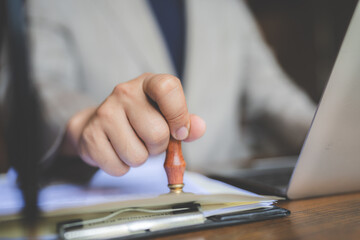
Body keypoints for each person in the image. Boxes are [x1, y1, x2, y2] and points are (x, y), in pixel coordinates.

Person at [27, 0, 315, 180]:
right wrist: (82, 124)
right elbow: (35, 91)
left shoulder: (227, 5)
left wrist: (335, 138)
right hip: (122, 204)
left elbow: (276, 96)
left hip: (233, 203)